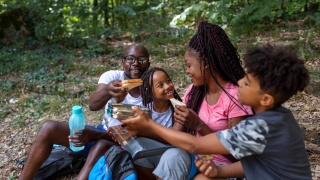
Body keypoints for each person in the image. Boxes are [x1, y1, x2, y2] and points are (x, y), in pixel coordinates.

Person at [123, 44, 312, 179]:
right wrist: (219, 172)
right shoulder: (282, 118)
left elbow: (196, 146)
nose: (239, 83)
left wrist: (149, 125)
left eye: (246, 82)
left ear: (265, 99)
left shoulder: (261, 127)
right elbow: (255, 163)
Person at [131, 21, 253, 180]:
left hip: (224, 168)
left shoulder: (236, 96)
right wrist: (141, 130)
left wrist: (199, 126)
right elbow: (175, 135)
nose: (187, 71)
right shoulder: (193, 92)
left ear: (206, 64)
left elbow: (238, 155)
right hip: (195, 159)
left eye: (189, 65)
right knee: (162, 152)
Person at [19, 43, 150, 180]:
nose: (135, 63)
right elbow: (93, 104)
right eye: (130, 59)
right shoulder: (112, 76)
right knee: (49, 128)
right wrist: (108, 91)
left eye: (141, 59)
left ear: (148, 63)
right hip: (101, 132)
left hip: (123, 145)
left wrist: (97, 135)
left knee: (102, 145)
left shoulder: (153, 87)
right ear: (123, 62)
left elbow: (144, 133)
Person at [88, 67, 190, 179]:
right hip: (154, 154)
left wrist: (141, 132)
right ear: (149, 91)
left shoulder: (178, 108)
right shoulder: (145, 109)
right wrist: (121, 131)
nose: (168, 86)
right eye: (160, 85)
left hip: (173, 152)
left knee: (142, 143)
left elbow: (175, 139)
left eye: (168, 81)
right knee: (134, 144)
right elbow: (133, 130)